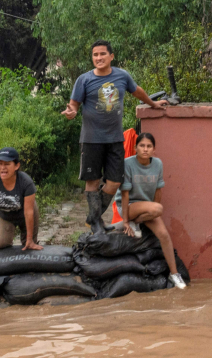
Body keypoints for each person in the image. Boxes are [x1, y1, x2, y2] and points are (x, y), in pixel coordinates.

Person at [61, 39, 168, 235]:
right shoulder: (83, 80)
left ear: (111, 56)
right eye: (95, 55)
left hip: (114, 139)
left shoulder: (122, 76)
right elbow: (74, 105)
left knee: (115, 181)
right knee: (92, 181)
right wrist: (71, 112)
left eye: (102, 54)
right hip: (91, 139)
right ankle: (96, 223)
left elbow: (137, 91)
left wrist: (153, 104)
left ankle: (92, 218)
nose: (98, 58)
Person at [115, 133, 186, 289]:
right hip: (127, 206)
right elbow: (125, 194)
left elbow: (158, 190)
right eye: (142, 146)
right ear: (135, 148)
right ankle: (131, 222)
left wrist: (153, 214)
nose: (145, 149)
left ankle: (174, 274)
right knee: (158, 208)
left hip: (147, 208)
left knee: (164, 235)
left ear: (154, 149)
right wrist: (126, 220)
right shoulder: (128, 164)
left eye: (149, 146)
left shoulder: (158, 164)